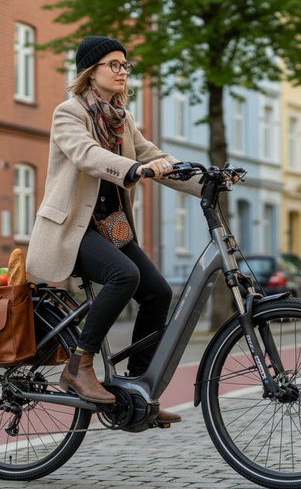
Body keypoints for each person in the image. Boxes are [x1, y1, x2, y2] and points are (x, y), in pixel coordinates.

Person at [25, 36, 204, 424]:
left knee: (157, 292)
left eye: (126, 65)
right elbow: (87, 155)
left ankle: (138, 388)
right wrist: (132, 170)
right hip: (72, 229)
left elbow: (152, 155)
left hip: (109, 227)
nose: (123, 72)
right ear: (91, 72)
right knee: (125, 275)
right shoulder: (68, 113)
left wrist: (204, 179)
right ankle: (79, 364)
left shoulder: (123, 118)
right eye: (115, 65)